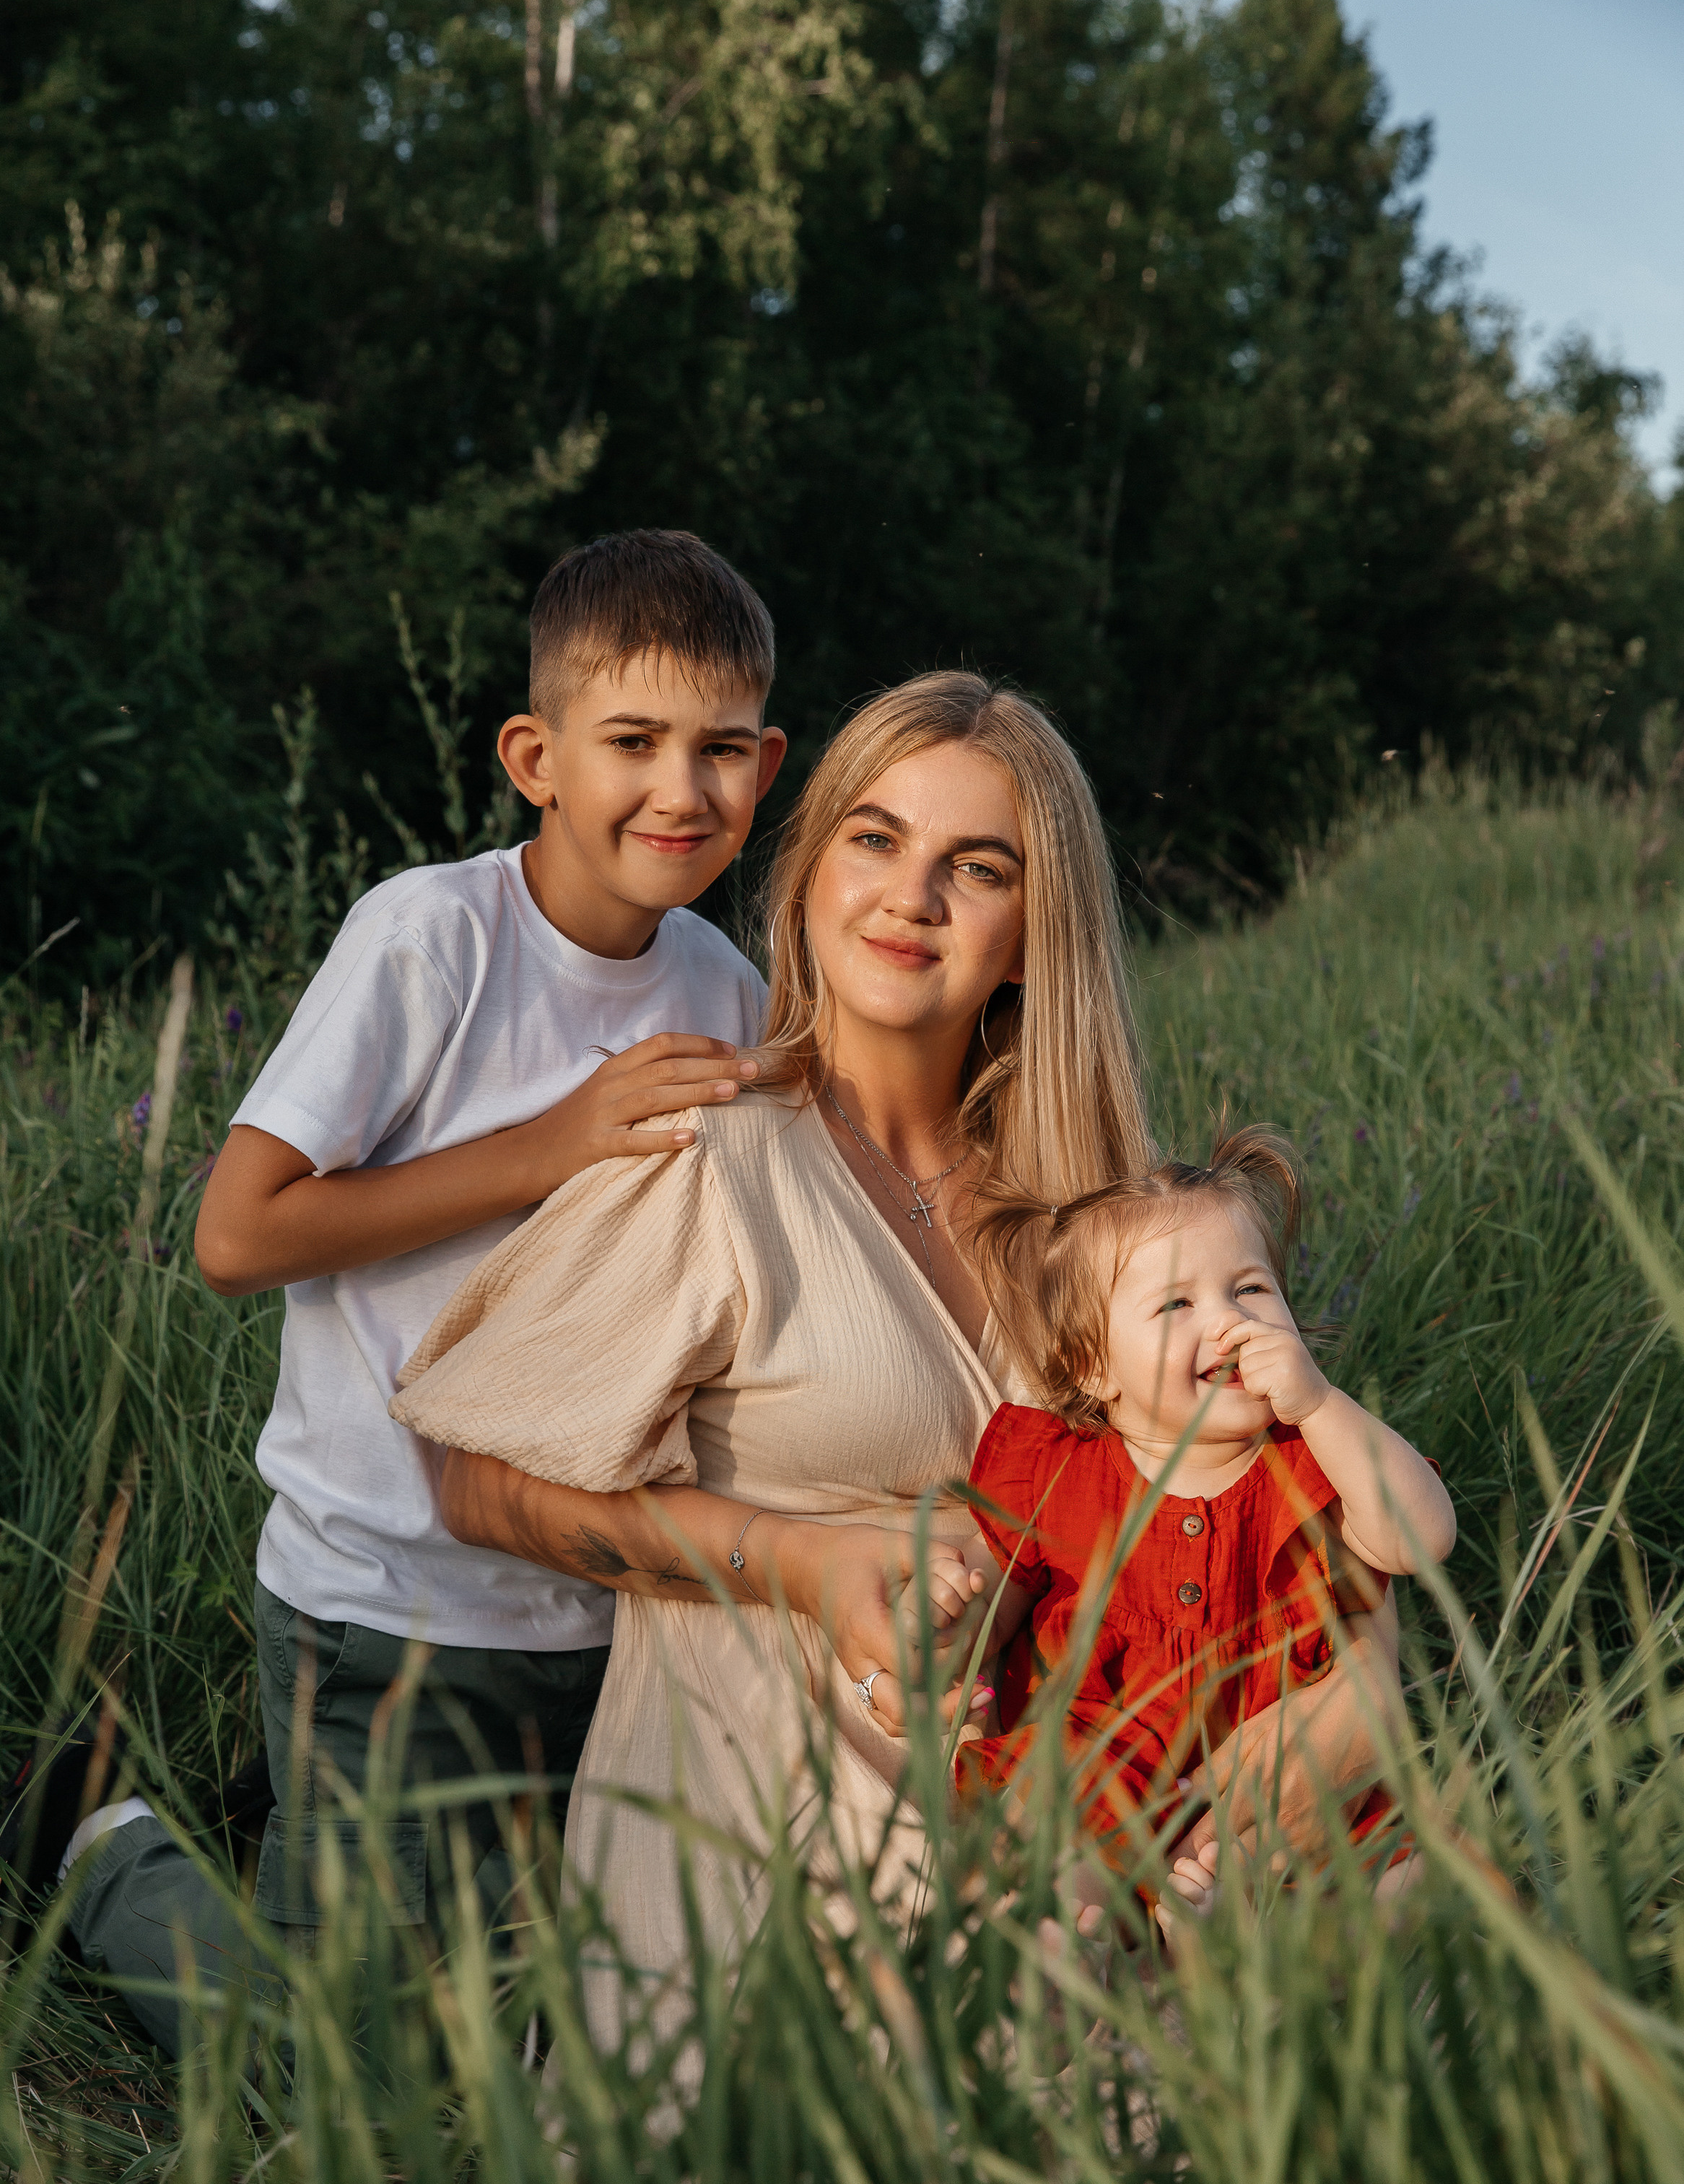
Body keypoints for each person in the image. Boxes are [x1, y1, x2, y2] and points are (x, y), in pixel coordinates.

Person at [0, 528, 787, 2057]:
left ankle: (312, 1823)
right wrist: (549, 1145)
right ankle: (103, 1837)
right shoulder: (433, 937)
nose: (679, 791)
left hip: (605, 1609)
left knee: (585, 2033)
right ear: (533, 755)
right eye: (630, 741)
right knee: (346, 2072)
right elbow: (238, 1231)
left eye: (721, 749)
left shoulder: (723, 985)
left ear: (768, 763)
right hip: (394, 1599)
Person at [386, 669, 1154, 2058]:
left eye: (972, 867)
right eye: (872, 838)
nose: (908, 895)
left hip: (1051, 1764)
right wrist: (793, 1563)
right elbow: (471, 1475)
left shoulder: (1097, 1210)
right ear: (805, 876)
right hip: (753, 1787)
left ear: (1035, 933)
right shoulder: (708, 1152)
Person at [958, 1128, 1456, 1926]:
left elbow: (1419, 1540)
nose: (1226, 1321)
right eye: (1176, 1303)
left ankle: (1243, 1950)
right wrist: (947, 1641)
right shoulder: (1059, 1470)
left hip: (1275, 1786)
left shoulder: (1311, 1456)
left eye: (1250, 1289)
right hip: (1098, 1765)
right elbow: (990, 1614)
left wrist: (1319, 1402)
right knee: (1038, 1842)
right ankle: (1066, 1959)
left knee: (1420, 1889)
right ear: (1091, 1365)